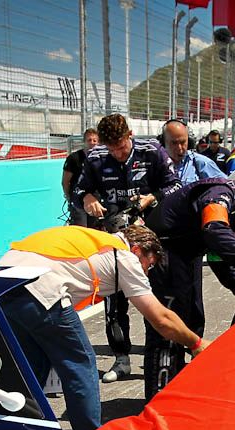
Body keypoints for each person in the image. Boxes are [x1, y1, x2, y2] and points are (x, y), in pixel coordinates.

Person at [0, 225, 205, 430]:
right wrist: (196, 343)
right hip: (41, 288)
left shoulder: (97, 243)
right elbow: (161, 319)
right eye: (148, 265)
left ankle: (2, 425)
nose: (146, 273)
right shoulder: (124, 256)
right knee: (80, 363)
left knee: (27, 363)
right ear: (138, 250)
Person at [73, 113, 180, 383]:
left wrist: (152, 198)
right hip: (113, 239)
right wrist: (87, 197)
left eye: (121, 147)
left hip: (148, 240)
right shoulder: (96, 157)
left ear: (129, 135)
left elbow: (175, 184)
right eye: (112, 149)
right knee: (114, 302)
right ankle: (121, 359)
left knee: (150, 297)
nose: (118, 154)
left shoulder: (151, 151)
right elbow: (76, 190)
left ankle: (155, 354)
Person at [143, 176, 235, 397]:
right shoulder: (221, 193)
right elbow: (214, 229)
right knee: (169, 332)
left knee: (193, 323)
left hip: (185, 256)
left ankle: (179, 391)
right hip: (165, 254)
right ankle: (158, 397)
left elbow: (217, 256)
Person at [160, 119, 223, 184]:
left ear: (189, 142)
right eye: (174, 143)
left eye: (182, 142)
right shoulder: (154, 166)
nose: (179, 148)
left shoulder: (202, 163)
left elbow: (227, 186)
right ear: (163, 143)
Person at [61, 127, 98, 226]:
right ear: (84, 142)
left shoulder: (101, 158)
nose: (92, 143)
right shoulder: (74, 158)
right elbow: (65, 182)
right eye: (89, 140)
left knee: (94, 229)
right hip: (78, 200)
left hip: (95, 200)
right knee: (80, 228)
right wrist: (69, 198)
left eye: (95, 140)